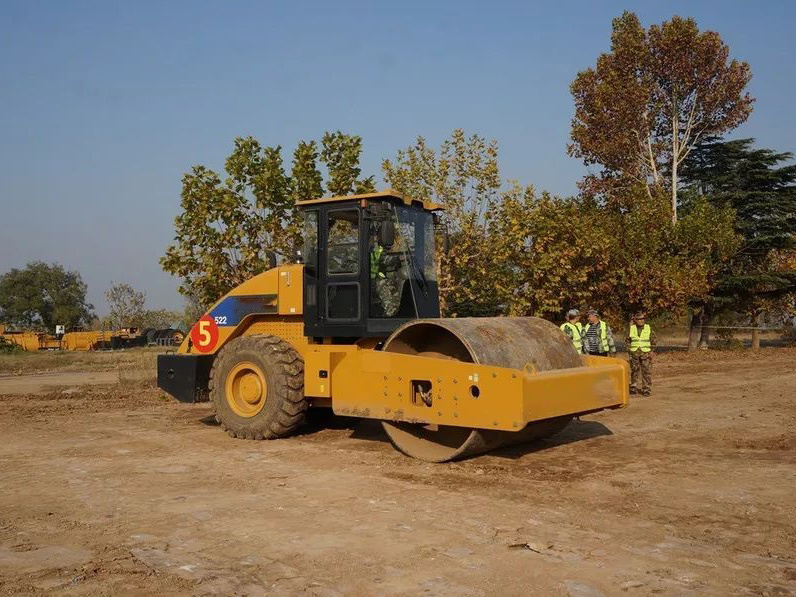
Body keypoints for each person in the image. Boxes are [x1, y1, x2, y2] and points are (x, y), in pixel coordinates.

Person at [626, 311, 657, 396]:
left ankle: (646, 389)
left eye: (643, 318)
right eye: (639, 319)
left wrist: (652, 351)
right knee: (634, 371)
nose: (642, 320)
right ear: (636, 320)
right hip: (634, 353)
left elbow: (653, 340)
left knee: (646, 371)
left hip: (645, 353)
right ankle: (633, 387)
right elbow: (627, 341)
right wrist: (629, 351)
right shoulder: (631, 329)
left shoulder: (648, 328)